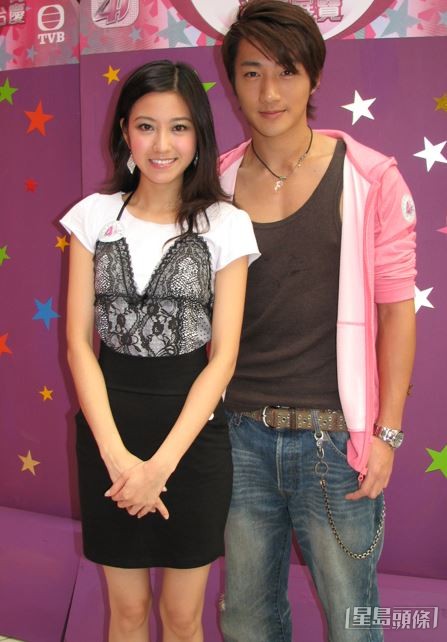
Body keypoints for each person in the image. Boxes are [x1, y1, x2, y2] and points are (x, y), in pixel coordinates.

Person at [218, 2, 416, 641]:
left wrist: (387, 435)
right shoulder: (216, 184)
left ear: (314, 77)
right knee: (246, 623)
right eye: (251, 73)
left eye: (287, 71)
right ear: (231, 81)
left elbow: (396, 312)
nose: (269, 93)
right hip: (238, 438)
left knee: (353, 625)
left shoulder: (369, 177)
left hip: (336, 445)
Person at [61, 60, 259, 642]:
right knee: (126, 613)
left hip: (192, 444)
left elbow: (223, 357)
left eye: (179, 127)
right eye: (146, 126)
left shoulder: (227, 224)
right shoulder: (93, 216)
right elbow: (78, 344)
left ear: (199, 135)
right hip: (109, 435)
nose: (162, 144)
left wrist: (160, 468)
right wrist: (120, 461)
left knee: (182, 618)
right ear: (125, 130)